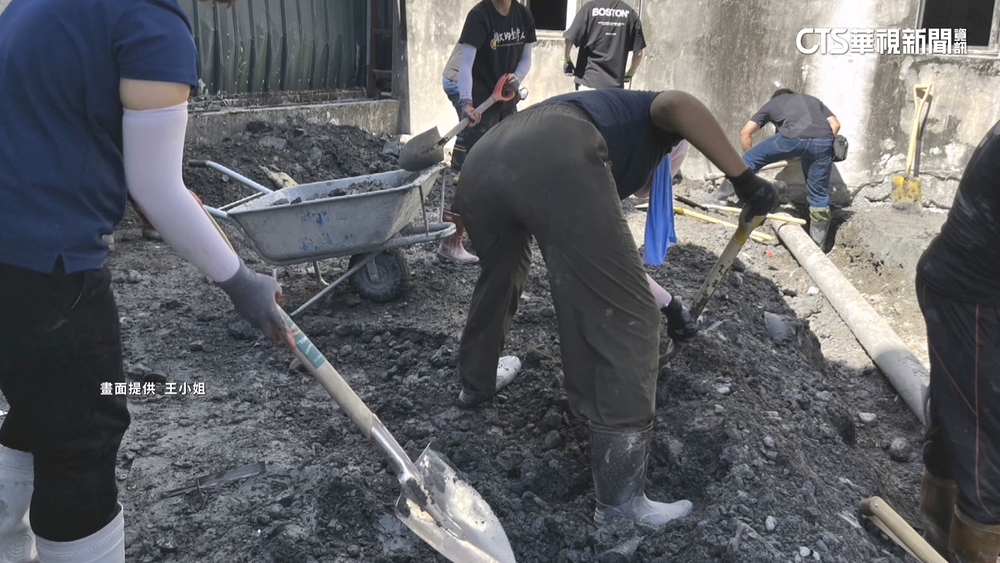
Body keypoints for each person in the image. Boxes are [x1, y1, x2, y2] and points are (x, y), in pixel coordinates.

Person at [0, 0, 294, 560]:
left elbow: (50, 117)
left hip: (11, 255)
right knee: (83, 437)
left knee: (39, 405)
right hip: (47, 271)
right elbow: (158, 188)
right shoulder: (149, 21)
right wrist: (241, 283)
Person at [451, 88, 777, 528]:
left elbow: (598, 261)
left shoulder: (605, 125)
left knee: (502, 272)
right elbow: (679, 103)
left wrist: (672, 304)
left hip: (483, 162)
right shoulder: (652, 124)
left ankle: (476, 382)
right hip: (554, 144)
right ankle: (621, 505)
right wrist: (744, 178)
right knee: (629, 317)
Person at [913, 118, 1000, 563]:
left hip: (972, 288)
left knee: (963, 412)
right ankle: (972, 548)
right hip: (967, 295)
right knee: (986, 434)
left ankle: (938, 531)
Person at [436, 0, 536, 265]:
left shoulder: (523, 15)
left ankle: (499, 232)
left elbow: (526, 58)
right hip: (481, 103)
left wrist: (517, 77)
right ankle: (450, 241)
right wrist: (467, 102)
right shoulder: (479, 16)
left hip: (506, 100)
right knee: (475, 171)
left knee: (509, 164)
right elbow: (466, 64)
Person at [733, 88, 840, 248]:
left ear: (777, 98)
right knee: (818, 197)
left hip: (791, 138)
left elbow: (746, 132)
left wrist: (753, 160)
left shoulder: (773, 104)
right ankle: (818, 246)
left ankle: (720, 196)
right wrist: (814, 146)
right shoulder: (812, 99)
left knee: (748, 160)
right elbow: (835, 124)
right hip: (823, 140)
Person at [562, 0, 645, 91]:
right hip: (614, 88)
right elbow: (638, 53)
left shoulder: (589, 8)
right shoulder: (631, 14)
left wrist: (567, 60)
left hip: (587, 83)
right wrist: (630, 73)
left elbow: (569, 38)